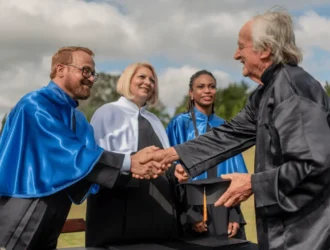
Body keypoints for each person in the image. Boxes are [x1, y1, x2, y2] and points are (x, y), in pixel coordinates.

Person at [141, 10, 330, 250]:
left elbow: (313, 164)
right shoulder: (265, 92)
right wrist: (168, 155)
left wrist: (253, 183)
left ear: (264, 50)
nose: (235, 55)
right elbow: (228, 134)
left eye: (241, 47)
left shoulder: (293, 88)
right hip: (283, 228)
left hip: (308, 232)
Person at [0, 47, 162, 250]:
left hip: (58, 207)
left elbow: (92, 158)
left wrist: (139, 165)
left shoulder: (78, 118)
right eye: (85, 71)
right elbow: (68, 153)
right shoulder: (35, 104)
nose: (92, 79)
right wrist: (132, 162)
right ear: (60, 69)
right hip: (28, 200)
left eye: (93, 73)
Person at [85, 62, 180, 247]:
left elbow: (166, 160)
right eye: (142, 77)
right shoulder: (107, 113)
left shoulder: (155, 120)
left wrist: (176, 171)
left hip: (157, 209)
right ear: (128, 80)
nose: (148, 82)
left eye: (152, 80)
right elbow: (96, 161)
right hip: (117, 209)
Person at [166, 70, 247, 239]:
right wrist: (189, 213)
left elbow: (235, 174)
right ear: (191, 93)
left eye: (211, 87)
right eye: (201, 87)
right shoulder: (179, 124)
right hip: (191, 206)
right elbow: (170, 171)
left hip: (223, 205)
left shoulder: (225, 127)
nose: (207, 91)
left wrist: (234, 214)